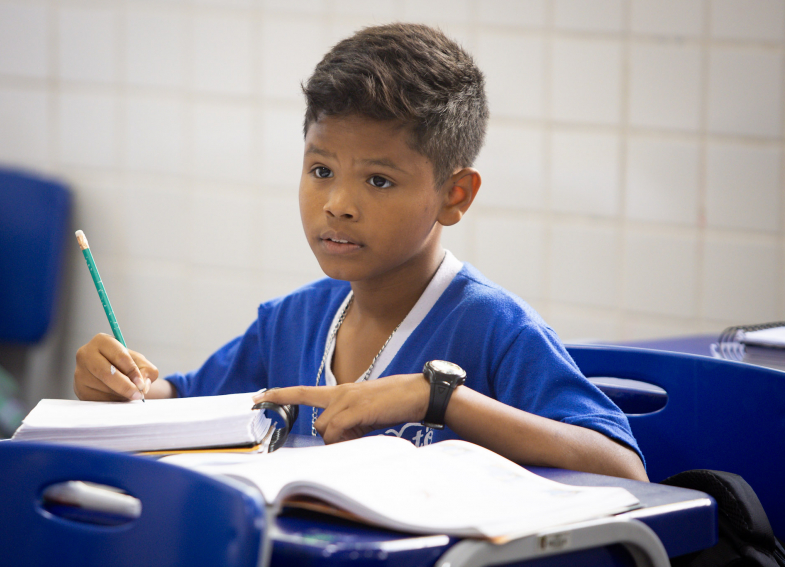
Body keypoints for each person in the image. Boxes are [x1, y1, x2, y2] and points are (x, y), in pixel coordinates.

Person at [73, 23, 648, 481]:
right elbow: (182, 400)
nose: (338, 204)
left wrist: (440, 400)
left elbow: (624, 467)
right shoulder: (291, 322)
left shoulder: (494, 327)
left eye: (378, 180)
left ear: (454, 195)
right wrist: (126, 386)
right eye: (321, 170)